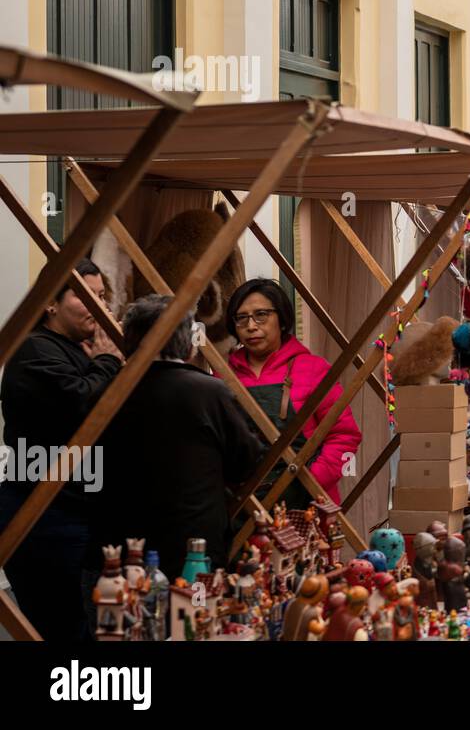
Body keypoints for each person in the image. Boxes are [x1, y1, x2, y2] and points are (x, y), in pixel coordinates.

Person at [87, 295, 266, 581]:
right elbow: (247, 461)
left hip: (122, 549)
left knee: (129, 621)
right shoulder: (210, 393)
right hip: (195, 545)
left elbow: (89, 472)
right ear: (186, 339)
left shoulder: (105, 392)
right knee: (195, 621)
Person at [0, 258, 121, 641]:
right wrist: (107, 362)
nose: (99, 306)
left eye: (102, 296)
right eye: (87, 296)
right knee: (63, 626)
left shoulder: (75, 349)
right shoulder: (35, 350)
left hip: (76, 510)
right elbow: (83, 404)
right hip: (44, 516)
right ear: (51, 303)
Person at [226, 279, 362, 507]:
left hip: (306, 503)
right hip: (243, 506)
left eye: (261, 315)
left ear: (281, 319)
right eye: (242, 318)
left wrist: (307, 483)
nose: (251, 326)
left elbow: (344, 435)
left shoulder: (314, 369)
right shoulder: (223, 377)